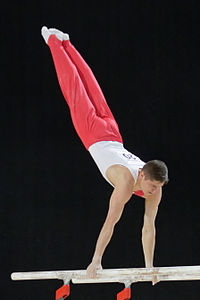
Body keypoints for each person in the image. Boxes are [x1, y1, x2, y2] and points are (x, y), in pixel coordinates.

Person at [41, 26, 168, 283]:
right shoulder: (125, 182)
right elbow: (110, 223)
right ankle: (55, 42)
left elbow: (148, 227)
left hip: (112, 132)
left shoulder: (155, 185)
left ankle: (67, 44)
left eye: (156, 188)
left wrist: (149, 267)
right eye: (152, 186)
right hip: (95, 134)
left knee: (91, 83)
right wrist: (96, 259)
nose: (153, 191)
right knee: (75, 86)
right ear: (142, 174)